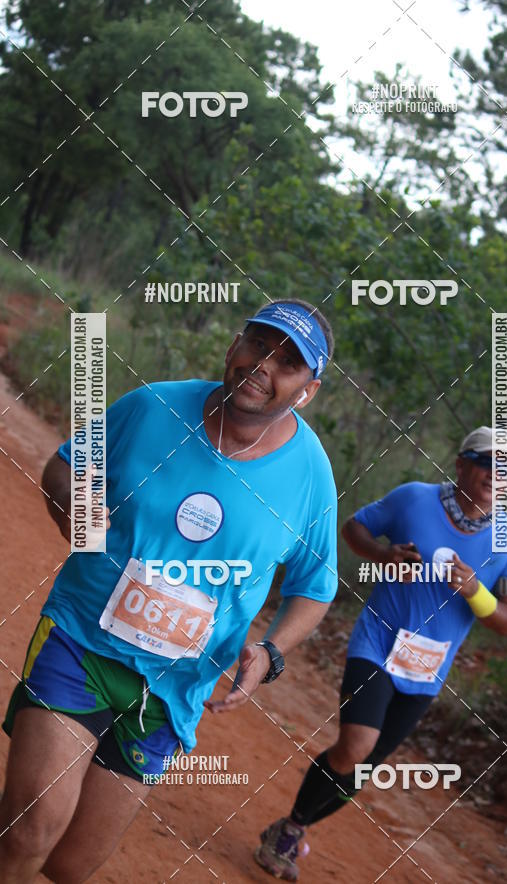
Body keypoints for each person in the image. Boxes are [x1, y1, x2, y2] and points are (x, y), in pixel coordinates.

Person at [0, 298, 338, 883]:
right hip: (80, 638)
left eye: (287, 363)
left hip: (173, 690)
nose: (264, 365)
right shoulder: (153, 405)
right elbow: (65, 465)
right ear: (235, 347)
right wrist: (73, 507)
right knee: (33, 825)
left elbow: (315, 588)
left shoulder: (311, 476)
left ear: (305, 391)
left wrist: (272, 652)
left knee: (71, 864)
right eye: (259, 344)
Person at [255, 426, 507, 882]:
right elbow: (355, 528)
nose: (494, 475)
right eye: (485, 462)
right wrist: (383, 557)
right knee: (354, 748)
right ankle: (289, 832)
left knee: (362, 771)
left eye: (506, 470)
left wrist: (474, 591)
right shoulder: (414, 499)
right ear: (461, 463)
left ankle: (290, 828)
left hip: (427, 668)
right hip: (379, 642)